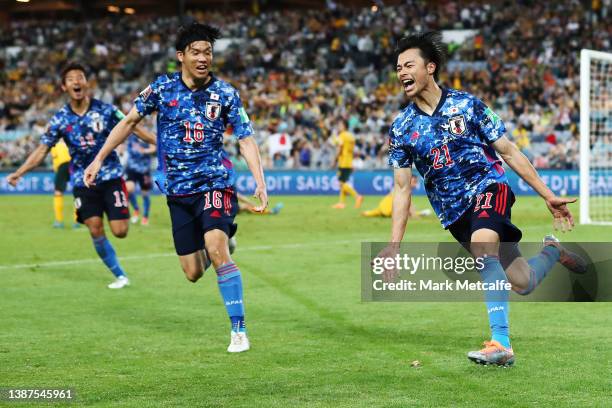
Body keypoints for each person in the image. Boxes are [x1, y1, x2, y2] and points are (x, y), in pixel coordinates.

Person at [382, 32, 586, 366]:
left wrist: (548, 195)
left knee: (482, 245)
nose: (401, 71)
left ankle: (501, 344)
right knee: (523, 282)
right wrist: (394, 244)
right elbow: (403, 189)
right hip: (454, 214)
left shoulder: (468, 105)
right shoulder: (401, 128)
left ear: (430, 67)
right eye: (398, 67)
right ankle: (553, 251)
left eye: (409, 64)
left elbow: (508, 150)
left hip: (488, 186)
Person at [83, 23, 267, 353]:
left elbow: (246, 138)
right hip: (178, 192)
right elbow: (128, 122)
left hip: (215, 183)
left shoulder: (225, 93)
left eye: (208, 52)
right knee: (193, 272)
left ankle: (239, 331)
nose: (203, 58)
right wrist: (99, 159)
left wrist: (260, 181)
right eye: (196, 52)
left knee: (215, 246)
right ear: (181, 56)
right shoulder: (161, 89)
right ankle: (223, 245)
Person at [6, 62, 156, 289]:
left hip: (111, 177)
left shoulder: (105, 109)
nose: (77, 81)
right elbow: (42, 150)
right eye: (71, 79)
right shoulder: (59, 119)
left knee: (120, 231)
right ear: (64, 87)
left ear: (86, 83)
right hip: (82, 182)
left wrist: (160, 143)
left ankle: (118, 227)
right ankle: (120, 275)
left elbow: (132, 125)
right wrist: (19, 172)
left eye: (80, 77)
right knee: (95, 228)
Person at [362, 176, 432, 218]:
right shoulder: (406, 189)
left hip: (384, 205)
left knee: (379, 211)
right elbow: (409, 206)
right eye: (414, 181)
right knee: (404, 213)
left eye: (416, 182)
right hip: (389, 208)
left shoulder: (401, 187)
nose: (415, 184)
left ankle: (367, 213)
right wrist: (415, 216)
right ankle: (421, 213)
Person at [124, 134, 156, 226]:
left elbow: (153, 147)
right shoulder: (131, 131)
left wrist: (144, 151)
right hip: (131, 167)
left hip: (144, 169)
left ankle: (145, 217)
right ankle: (136, 209)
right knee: (128, 189)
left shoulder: (148, 132)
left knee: (145, 194)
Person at [332, 120, 363, 209]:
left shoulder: (342, 135)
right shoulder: (351, 136)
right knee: (343, 182)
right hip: (349, 161)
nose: (339, 127)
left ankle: (357, 196)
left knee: (341, 183)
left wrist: (335, 160)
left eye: (340, 125)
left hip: (343, 162)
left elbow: (340, 147)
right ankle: (341, 203)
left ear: (344, 126)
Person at [49, 139, 78, 228]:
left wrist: (56, 170)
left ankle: (59, 221)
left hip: (62, 166)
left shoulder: (54, 145)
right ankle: (77, 221)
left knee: (58, 192)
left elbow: (55, 158)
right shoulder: (73, 141)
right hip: (73, 164)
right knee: (77, 193)